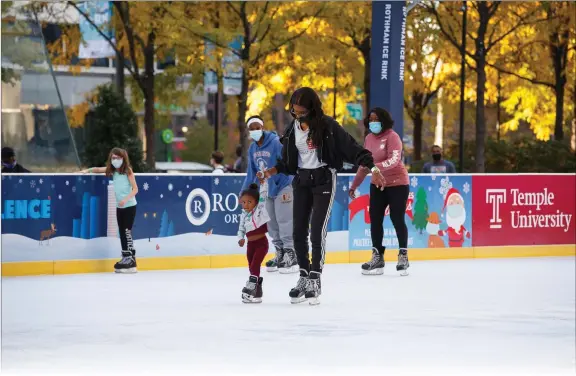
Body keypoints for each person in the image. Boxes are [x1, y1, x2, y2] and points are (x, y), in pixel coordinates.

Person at [260, 87, 384, 305]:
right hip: (301, 181)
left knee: (316, 230)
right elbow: (287, 161)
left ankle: (315, 277)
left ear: (311, 108)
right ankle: (304, 275)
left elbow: (352, 148)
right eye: (294, 111)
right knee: (298, 231)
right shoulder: (292, 130)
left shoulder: (327, 126)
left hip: (324, 179)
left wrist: (373, 168)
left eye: (301, 112)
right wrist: (271, 171)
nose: (297, 115)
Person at [349, 107, 410, 276]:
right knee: (375, 219)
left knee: (397, 217)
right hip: (377, 184)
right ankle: (377, 257)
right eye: (370, 119)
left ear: (384, 120)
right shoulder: (368, 138)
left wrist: (375, 168)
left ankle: (403, 255)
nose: (373, 122)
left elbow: (395, 160)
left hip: (397, 183)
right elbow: (365, 164)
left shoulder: (393, 137)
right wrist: (354, 185)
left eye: (376, 119)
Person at [241, 115, 298, 274]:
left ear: (262, 127)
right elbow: (251, 173)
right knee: (271, 222)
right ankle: (280, 252)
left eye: (257, 128)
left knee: (284, 219)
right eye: (251, 129)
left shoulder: (275, 143)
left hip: (284, 185)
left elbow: (288, 162)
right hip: (267, 189)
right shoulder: (252, 149)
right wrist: (245, 193)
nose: (254, 131)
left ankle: (290, 253)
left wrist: (292, 181)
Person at [81, 148, 139, 273]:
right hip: (120, 207)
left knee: (127, 232)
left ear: (123, 159)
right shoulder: (113, 171)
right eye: (113, 158)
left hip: (129, 206)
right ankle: (125, 257)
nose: (115, 160)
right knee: (122, 232)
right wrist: (87, 170)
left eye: (118, 158)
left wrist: (125, 199)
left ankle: (131, 259)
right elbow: (98, 169)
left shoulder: (128, 171)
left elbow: (135, 189)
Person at [237, 182, 270, 303]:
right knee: (251, 266)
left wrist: (264, 183)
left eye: (249, 202)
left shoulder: (259, 210)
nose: (246, 205)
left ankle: (251, 285)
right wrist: (240, 238)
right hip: (250, 245)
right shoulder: (243, 216)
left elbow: (263, 195)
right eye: (243, 202)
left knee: (255, 264)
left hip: (261, 243)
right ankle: (257, 292)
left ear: (256, 202)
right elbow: (241, 228)